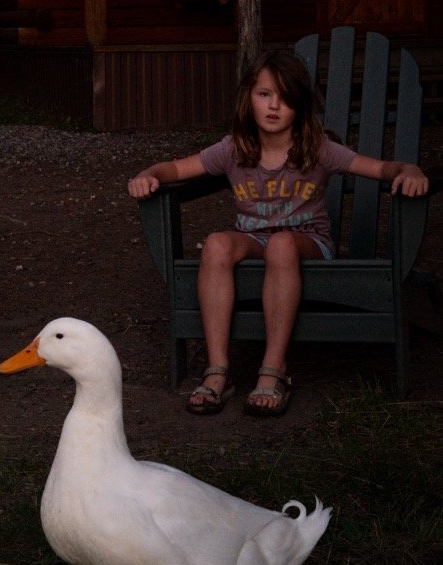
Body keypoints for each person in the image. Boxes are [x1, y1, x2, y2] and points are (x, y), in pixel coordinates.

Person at [128, 49, 428, 418]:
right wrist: (150, 174)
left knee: (283, 244)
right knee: (218, 243)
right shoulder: (234, 149)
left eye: (285, 98)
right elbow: (173, 169)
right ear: (248, 99)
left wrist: (408, 170)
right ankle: (218, 370)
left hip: (307, 244)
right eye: (264, 94)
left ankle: (274, 370)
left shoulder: (318, 148)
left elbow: (383, 168)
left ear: (300, 106)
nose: (274, 106)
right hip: (254, 241)